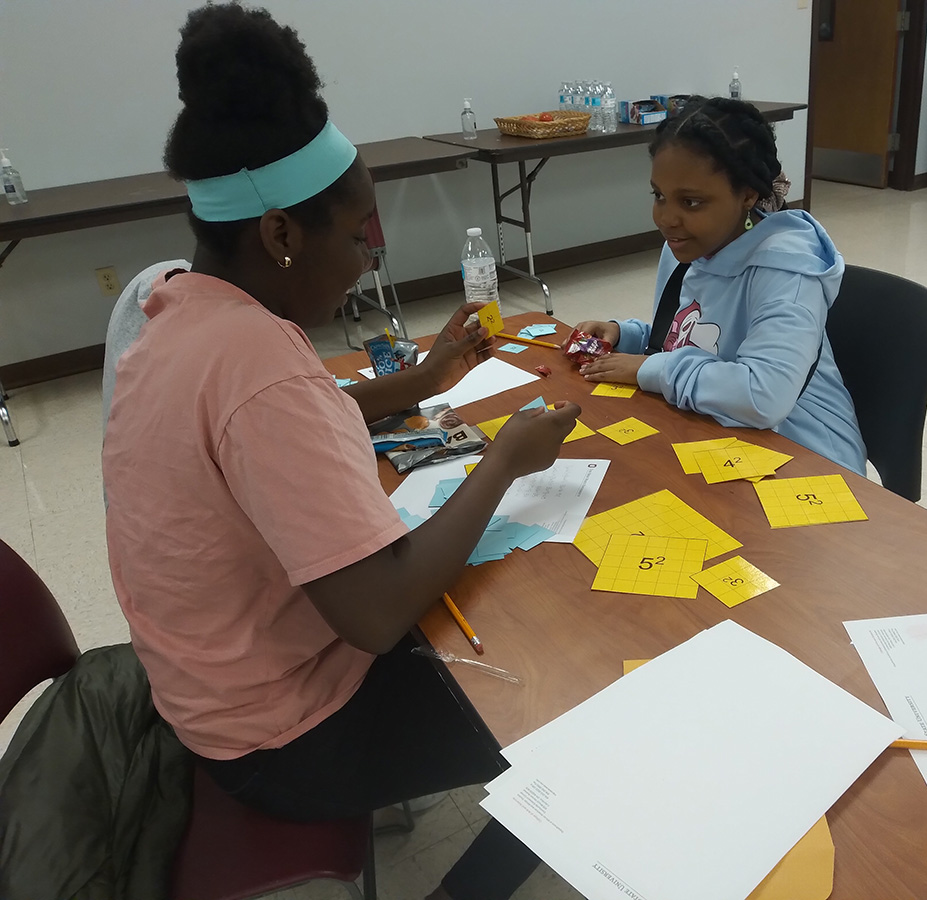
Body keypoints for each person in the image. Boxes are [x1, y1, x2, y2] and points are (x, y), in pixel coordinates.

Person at [102, 6, 579, 899]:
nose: (373, 254)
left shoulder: (181, 310)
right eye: (361, 230)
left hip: (208, 694)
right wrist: (503, 461)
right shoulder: (260, 366)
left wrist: (421, 382)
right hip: (282, 739)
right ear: (281, 234)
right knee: (566, 703)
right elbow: (377, 613)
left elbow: (262, 430)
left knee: (498, 614)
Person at [569, 96, 867, 475]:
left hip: (806, 456)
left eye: (691, 202)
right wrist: (625, 335)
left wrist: (650, 369)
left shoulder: (788, 271)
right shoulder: (687, 245)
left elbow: (763, 396)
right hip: (718, 434)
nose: (666, 218)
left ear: (747, 194)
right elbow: (691, 340)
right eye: (659, 196)